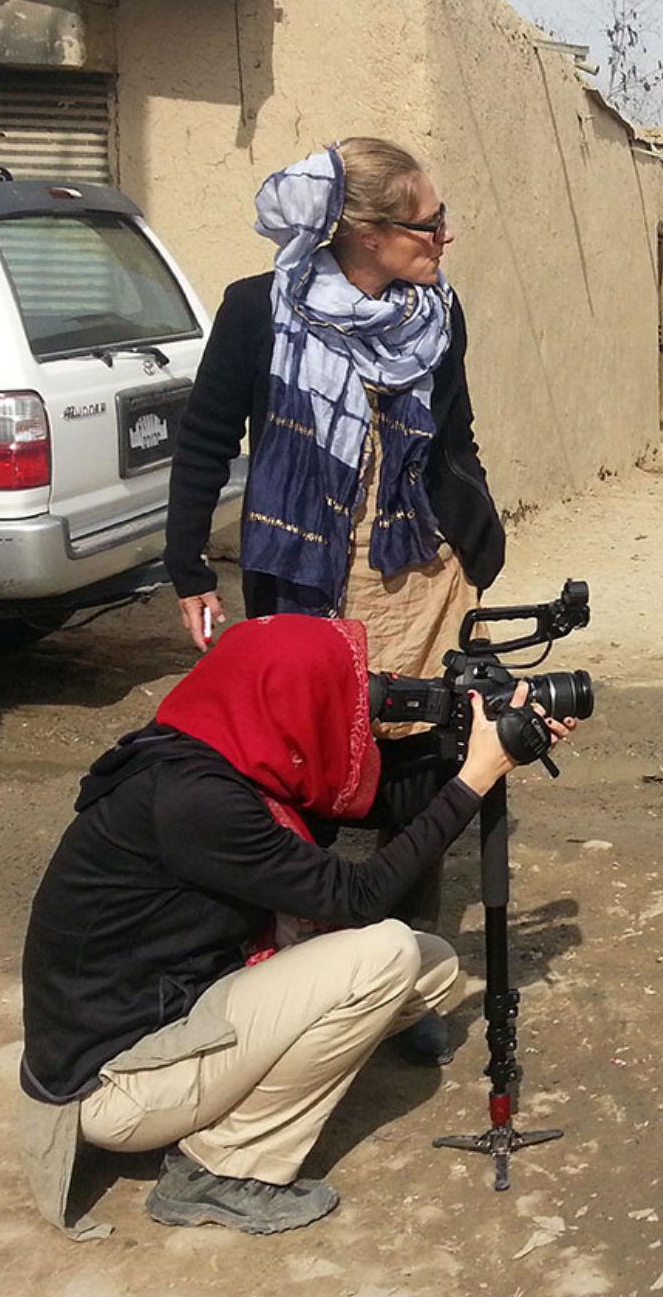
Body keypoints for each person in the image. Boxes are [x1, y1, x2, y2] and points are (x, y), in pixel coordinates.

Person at [17, 616, 575, 1238]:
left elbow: (381, 796)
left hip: (163, 1010)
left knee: (433, 967)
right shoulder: (196, 802)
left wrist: (479, 745)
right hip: (113, 1085)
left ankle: (242, 1100)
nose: (356, 702)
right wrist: (475, 780)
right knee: (385, 954)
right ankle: (220, 1171)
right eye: (340, 688)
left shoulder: (217, 745)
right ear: (282, 698)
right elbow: (360, 897)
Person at [166, 139, 505, 1061]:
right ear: (362, 232)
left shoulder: (438, 311)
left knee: (421, 764)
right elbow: (204, 441)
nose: (445, 234)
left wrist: (476, 529)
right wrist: (190, 567)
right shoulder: (259, 311)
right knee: (304, 771)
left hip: (420, 573)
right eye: (427, 222)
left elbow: (456, 430)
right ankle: (304, 973)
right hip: (304, 569)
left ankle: (404, 983)